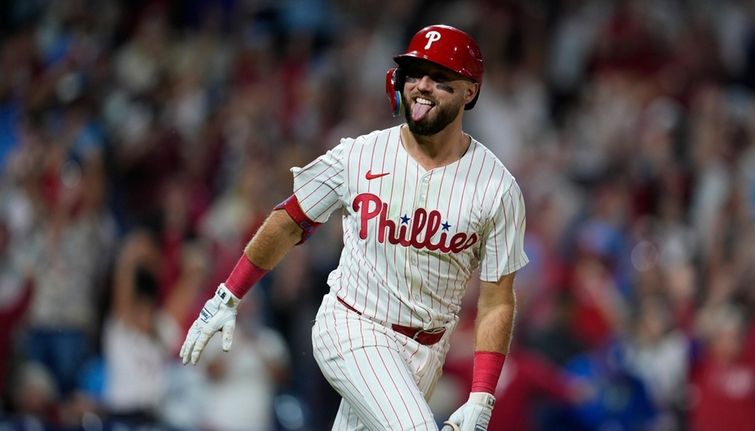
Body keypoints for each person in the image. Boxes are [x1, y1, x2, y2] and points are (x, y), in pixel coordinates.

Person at [179, 24, 529, 431]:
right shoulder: (359, 155)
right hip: (353, 326)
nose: (421, 86)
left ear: (470, 90)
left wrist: (483, 395)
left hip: (427, 350)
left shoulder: (497, 187)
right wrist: (229, 293)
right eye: (414, 74)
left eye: (439, 77)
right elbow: (290, 220)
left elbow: (497, 298)